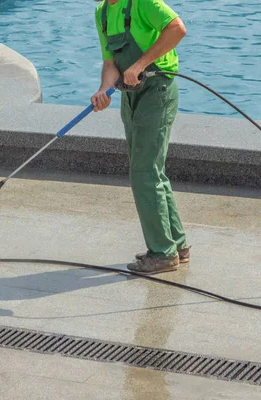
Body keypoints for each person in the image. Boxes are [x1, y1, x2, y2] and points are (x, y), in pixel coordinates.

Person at [91, 0, 190, 274]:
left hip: (157, 89)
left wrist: (140, 64)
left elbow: (177, 29)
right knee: (152, 172)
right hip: (130, 96)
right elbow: (111, 63)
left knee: (144, 172)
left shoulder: (143, 2)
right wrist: (103, 90)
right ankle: (176, 245)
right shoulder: (102, 13)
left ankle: (162, 253)